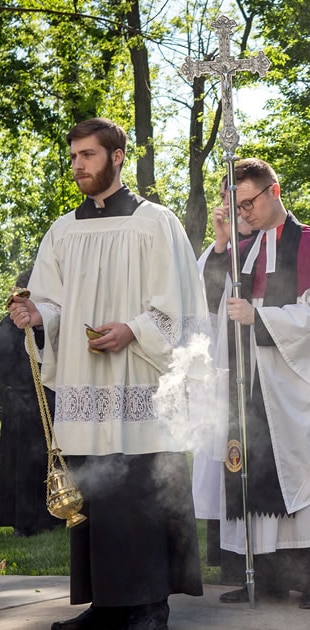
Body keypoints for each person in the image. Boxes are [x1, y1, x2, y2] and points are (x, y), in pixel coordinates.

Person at [8, 118, 206, 630]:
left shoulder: (154, 223)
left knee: (142, 491)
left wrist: (133, 330)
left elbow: (178, 305)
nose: (78, 165)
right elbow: (50, 300)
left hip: (140, 382)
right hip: (85, 386)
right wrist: (37, 316)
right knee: (96, 494)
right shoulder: (63, 230)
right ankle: (106, 604)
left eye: (88, 155)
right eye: (74, 156)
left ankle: (150, 606)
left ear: (117, 157)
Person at [203, 158, 310, 609]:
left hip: (295, 383)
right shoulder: (242, 247)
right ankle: (263, 575)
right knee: (246, 462)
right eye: (235, 206)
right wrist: (221, 245)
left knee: (302, 469)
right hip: (247, 382)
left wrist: (259, 317)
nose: (244, 214)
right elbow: (212, 303)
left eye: (249, 203)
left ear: (274, 192)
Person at [193, 174, 255, 568]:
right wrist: (220, 244)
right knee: (225, 455)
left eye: (239, 199)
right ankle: (230, 559)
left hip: (258, 367)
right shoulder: (219, 251)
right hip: (224, 368)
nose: (231, 207)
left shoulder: (270, 244)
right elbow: (204, 302)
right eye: (224, 198)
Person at [0, 269, 60, 537]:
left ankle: (28, 521)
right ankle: (32, 520)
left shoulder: (16, 324)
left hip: (29, 402)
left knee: (29, 464)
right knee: (30, 464)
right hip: (31, 403)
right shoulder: (16, 326)